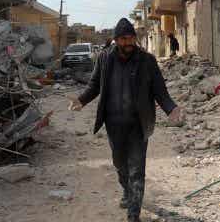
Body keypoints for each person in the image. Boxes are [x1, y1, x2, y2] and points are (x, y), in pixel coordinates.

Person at [68, 18, 184, 222]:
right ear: (116, 40)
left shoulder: (147, 60)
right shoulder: (104, 58)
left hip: (138, 124)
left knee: (137, 170)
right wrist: (81, 100)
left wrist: (171, 108)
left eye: (131, 38)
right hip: (113, 124)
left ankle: (134, 214)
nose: (128, 42)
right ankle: (127, 191)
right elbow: (95, 85)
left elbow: (159, 89)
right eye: (124, 39)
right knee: (120, 165)